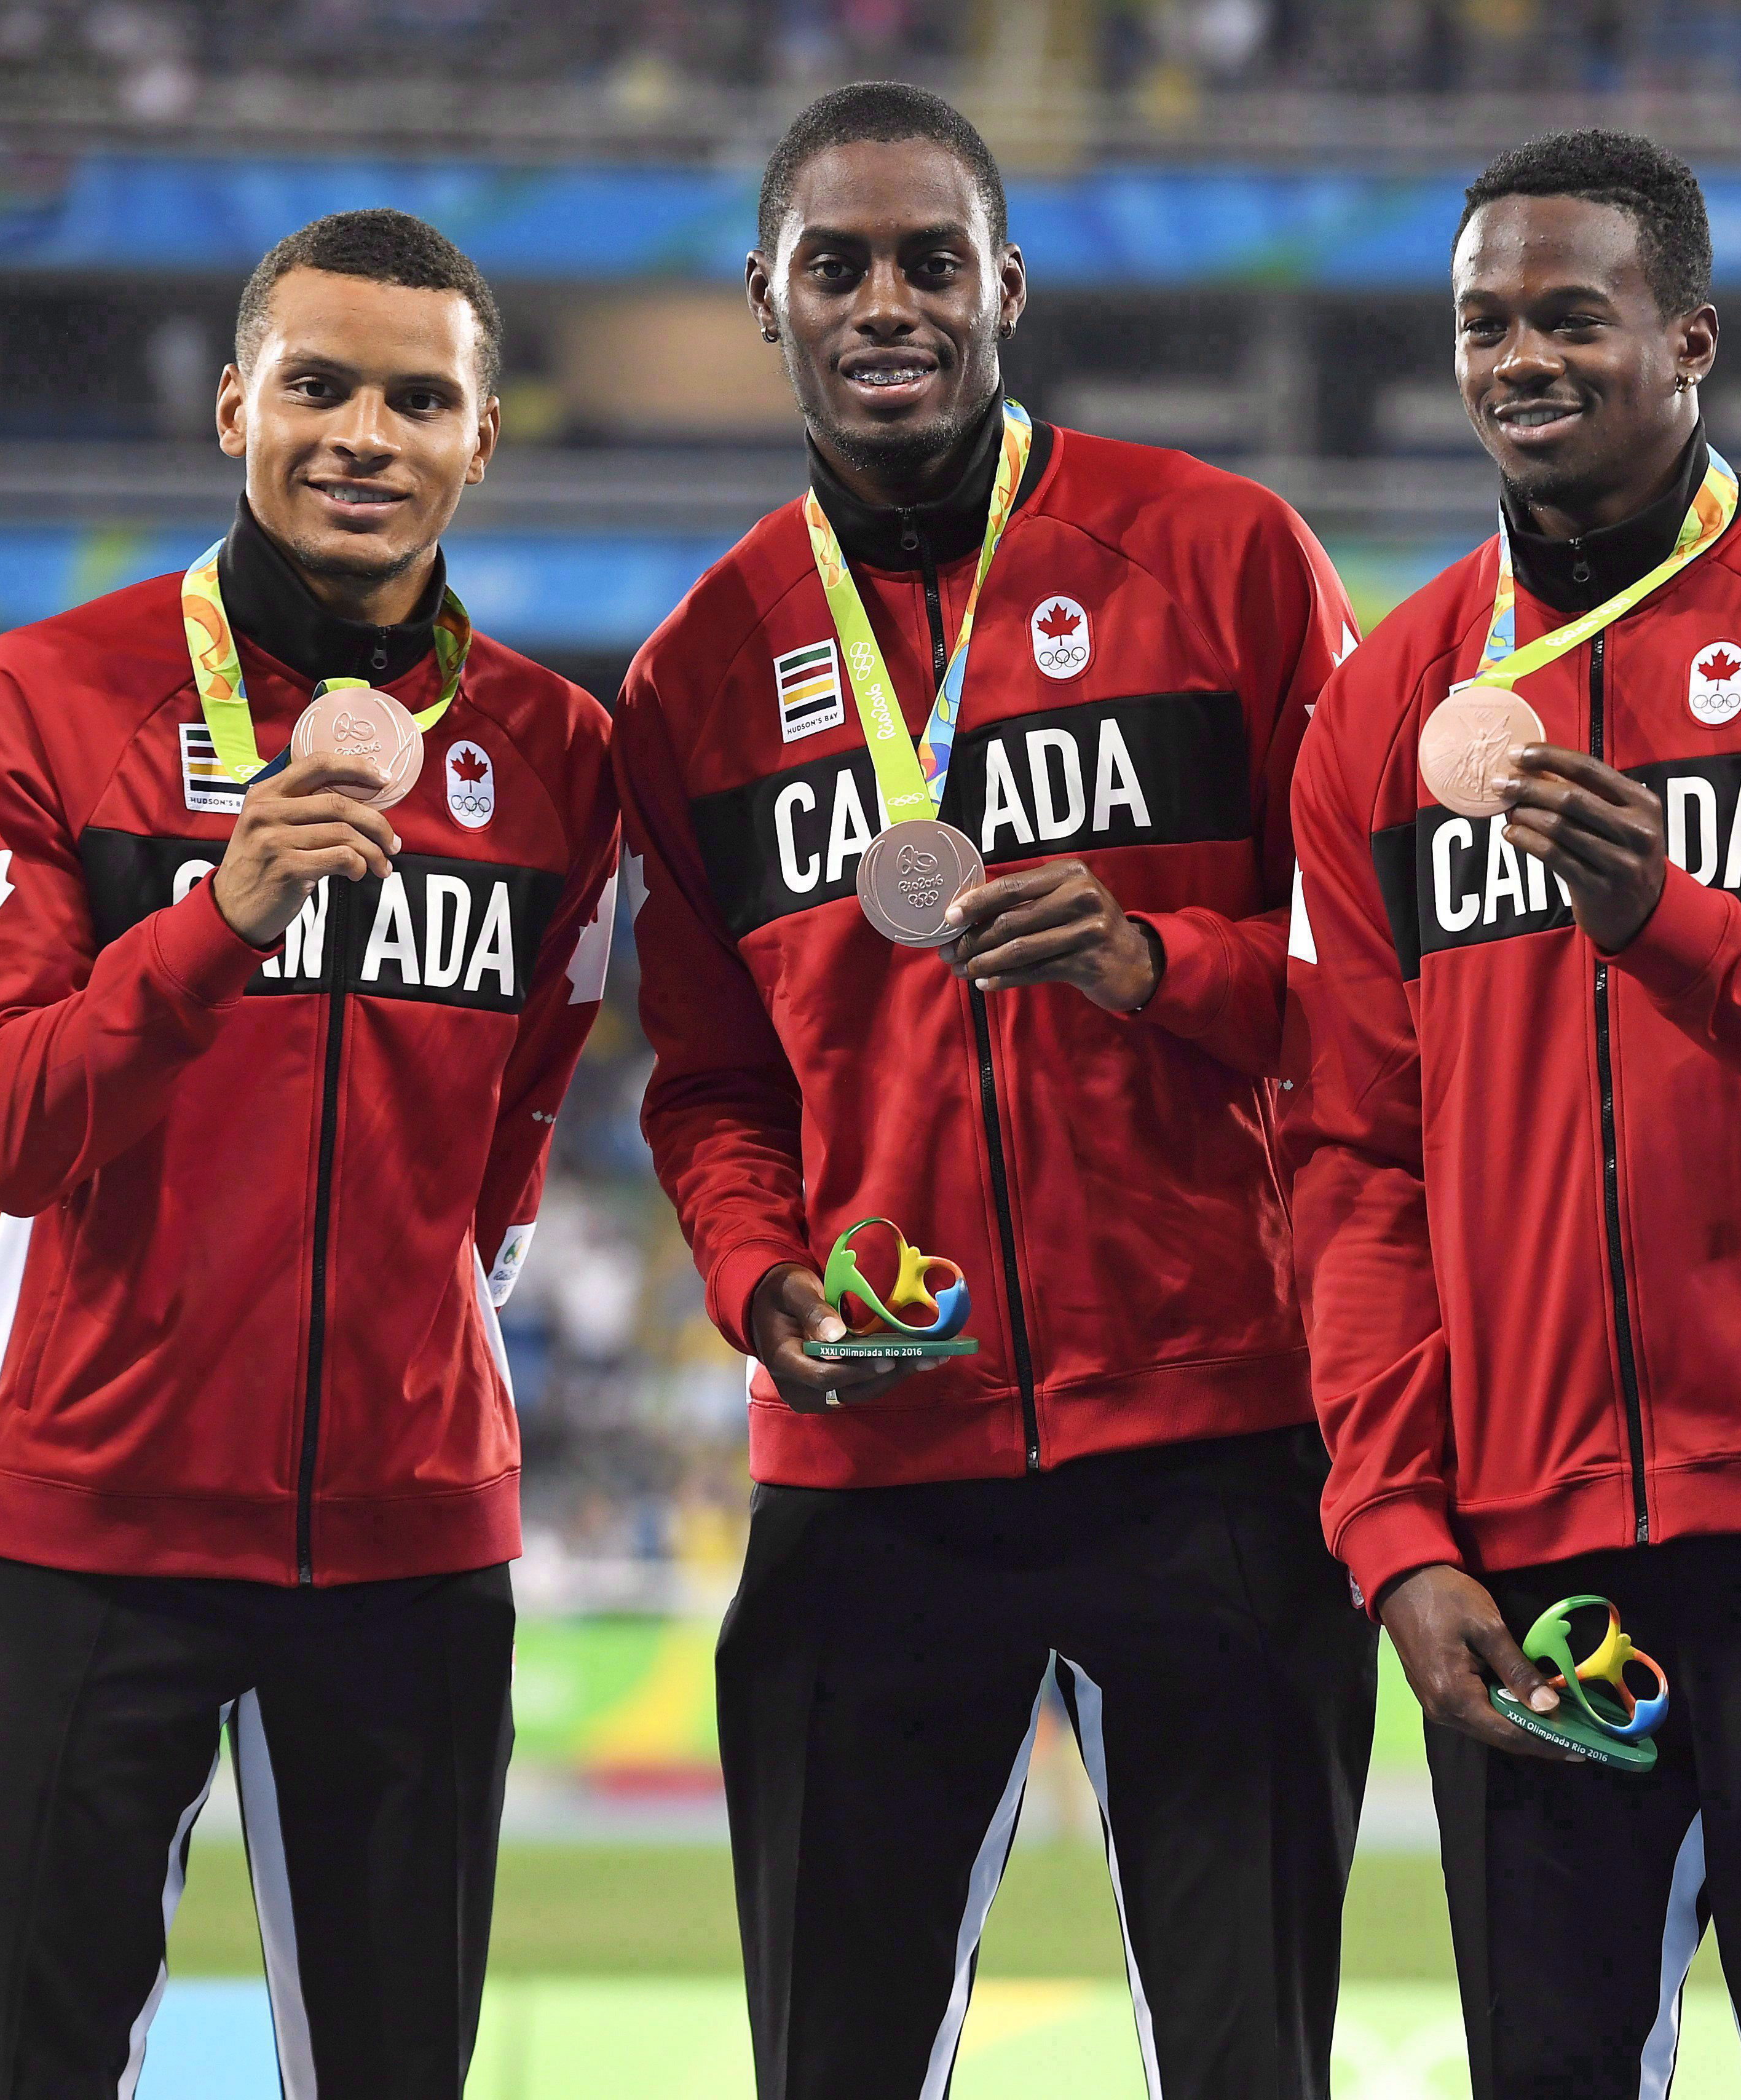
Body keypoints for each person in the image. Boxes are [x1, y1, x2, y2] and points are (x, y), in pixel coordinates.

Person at [612, 82, 1372, 2099]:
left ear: (1006, 286)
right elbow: (704, 1084)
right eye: (836, 265)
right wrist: (765, 1289)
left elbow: (1392, 997)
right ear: (763, 299)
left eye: (932, 261)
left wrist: (1160, 960)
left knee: (1250, 2067)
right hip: (871, 1481)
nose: (889, 303)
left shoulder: (1223, 562)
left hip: (1219, 1446)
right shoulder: (697, 671)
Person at [1286, 128, 1741, 2097]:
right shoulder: (1382, 708)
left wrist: (1674, 928)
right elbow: (1356, 1161)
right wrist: (1394, 1528)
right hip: (1531, 1563)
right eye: (1481, 322)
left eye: (1571, 314)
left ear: (1689, 338)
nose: (1520, 356)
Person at [0, 209, 620, 2099]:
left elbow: (521, 1131)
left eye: (418, 397)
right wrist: (216, 914)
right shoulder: (39, 702)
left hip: (410, 1546)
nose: (362, 433)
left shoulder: (561, 759)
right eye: (318, 384)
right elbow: (0, 1126)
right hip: (89, 1529)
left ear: (483, 441)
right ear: (236, 404)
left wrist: (406, 1368)